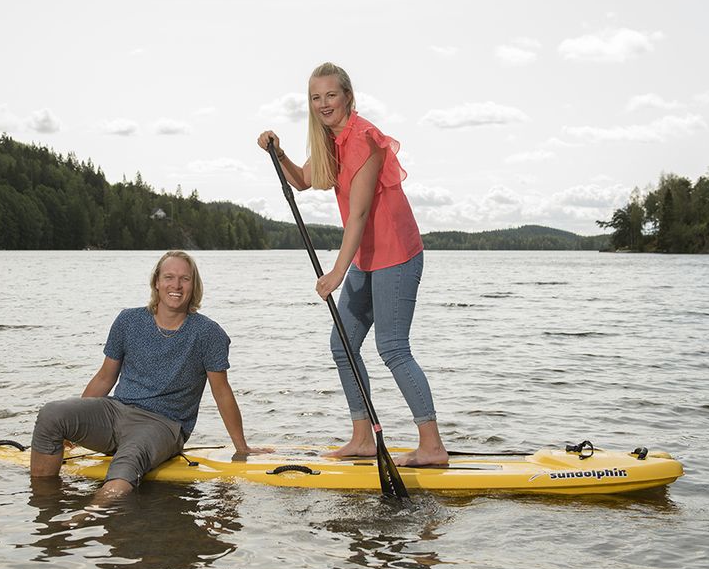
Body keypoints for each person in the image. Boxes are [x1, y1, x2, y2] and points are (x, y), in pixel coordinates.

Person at [257, 62, 449, 466]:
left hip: (397, 253)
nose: (323, 103)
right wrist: (279, 153)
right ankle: (363, 437)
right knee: (342, 346)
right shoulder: (330, 139)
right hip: (365, 257)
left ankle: (432, 445)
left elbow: (358, 215)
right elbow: (303, 180)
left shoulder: (364, 138)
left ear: (347, 96)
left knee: (392, 347)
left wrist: (336, 273)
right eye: (315, 97)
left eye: (331, 95)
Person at [30, 250, 266, 498]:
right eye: (169, 277)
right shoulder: (128, 320)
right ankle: (44, 501)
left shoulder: (209, 333)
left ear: (194, 285)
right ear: (156, 282)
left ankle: (80, 520)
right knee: (52, 415)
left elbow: (222, 392)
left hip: (164, 425)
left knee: (126, 463)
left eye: (185, 279)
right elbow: (104, 377)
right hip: (116, 412)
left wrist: (242, 447)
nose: (176, 285)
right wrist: (76, 425)